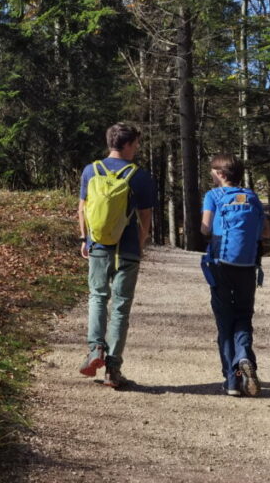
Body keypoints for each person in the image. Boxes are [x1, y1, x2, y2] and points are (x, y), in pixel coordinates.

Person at [78, 122, 156, 388]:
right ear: (125, 144)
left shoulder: (91, 170)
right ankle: (113, 369)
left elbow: (83, 207)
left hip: (98, 245)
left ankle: (94, 350)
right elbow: (145, 217)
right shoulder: (139, 176)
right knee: (121, 307)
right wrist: (141, 243)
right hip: (128, 250)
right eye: (135, 144)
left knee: (97, 298)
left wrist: (85, 239)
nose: (136, 149)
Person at [200, 153, 270, 397]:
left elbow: (205, 228)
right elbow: (266, 232)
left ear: (220, 174)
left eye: (212, 171)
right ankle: (244, 357)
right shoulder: (252, 197)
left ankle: (232, 381)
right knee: (243, 316)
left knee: (224, 321)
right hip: (247, 266)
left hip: (220, 264)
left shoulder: (213, 196)